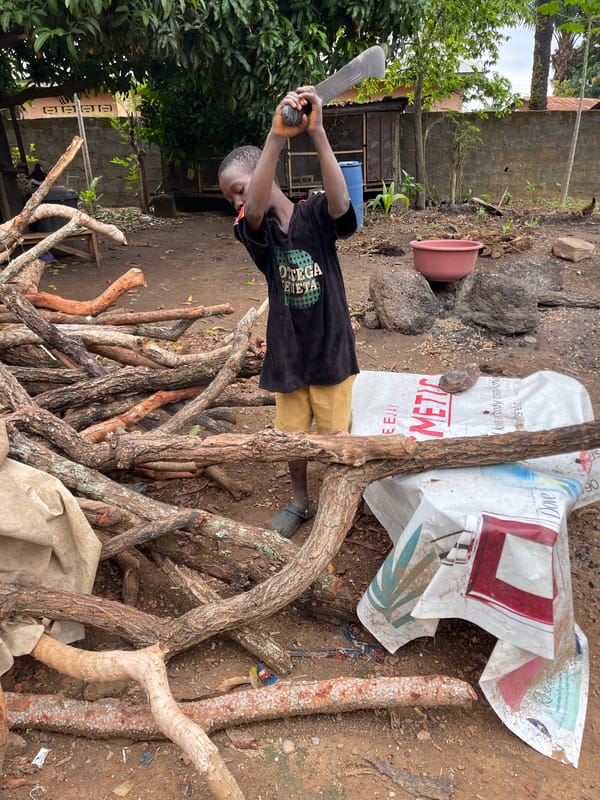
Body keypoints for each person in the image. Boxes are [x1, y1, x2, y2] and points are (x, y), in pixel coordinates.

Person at [218, 85, 359, 537]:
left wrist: (316, 133)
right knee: (292, 438)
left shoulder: (315, 212)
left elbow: (342, 206)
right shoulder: (252, 229)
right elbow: (256, 208)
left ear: (262, 174)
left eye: (238, 190)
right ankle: (300, 502)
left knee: (336, 440)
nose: (238, 203)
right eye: (231, 199)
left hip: (331, 347)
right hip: (289, 352)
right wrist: (276, 137)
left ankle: (338, 505)